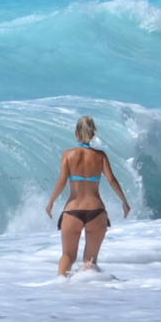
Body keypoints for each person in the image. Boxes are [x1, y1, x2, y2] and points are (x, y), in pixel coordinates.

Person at [46, 115, 131, 276]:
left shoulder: (68, 155)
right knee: (90, 261)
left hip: (73, 211)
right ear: (93, 134)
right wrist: (124, 202)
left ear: (76, 133)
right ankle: (91, 296)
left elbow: (62, 182)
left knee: (68, 256)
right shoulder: (100, 156)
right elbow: (112, 179)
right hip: (96, 212)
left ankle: (59, 289)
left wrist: (50, 203)